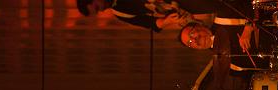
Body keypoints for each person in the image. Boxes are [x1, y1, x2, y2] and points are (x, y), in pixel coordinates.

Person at [77, 0, 215, 31]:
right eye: (98, 11)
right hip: (185, 8)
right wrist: (167, 21)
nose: (102, 10)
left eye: (97, 7)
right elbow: (150, 23)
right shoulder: (120, 13)